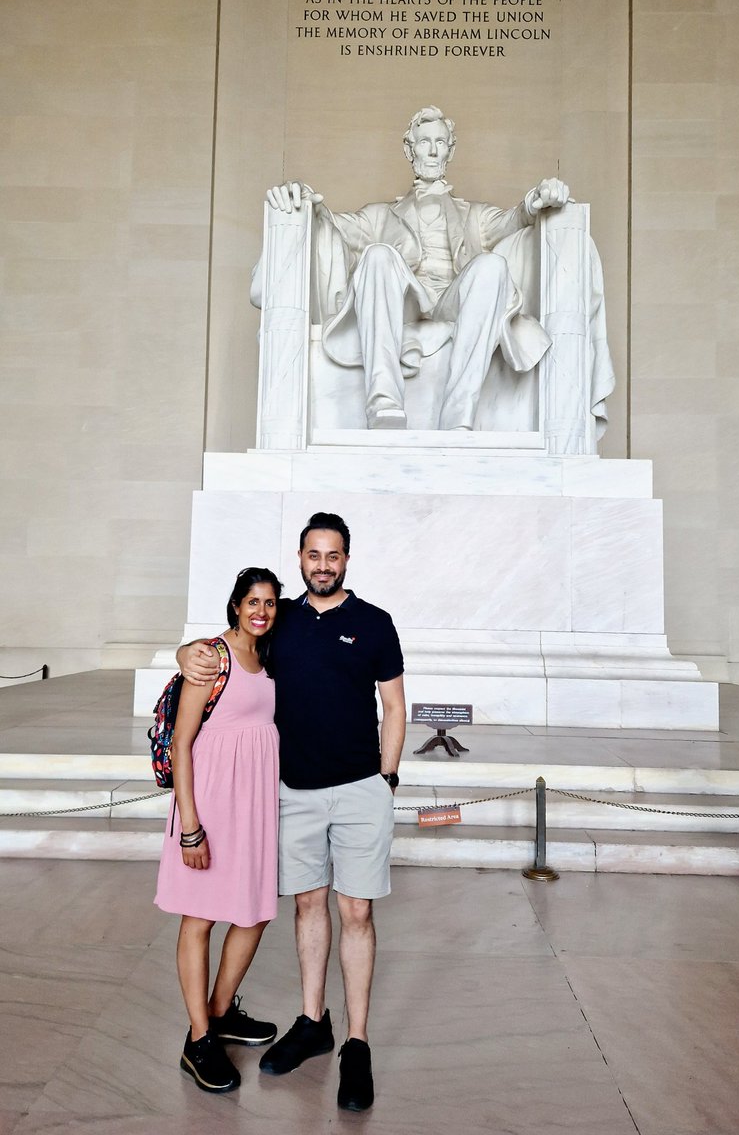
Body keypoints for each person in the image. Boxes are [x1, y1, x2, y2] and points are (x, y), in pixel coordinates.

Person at [177, 512, 406, 1112]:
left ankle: (356, 1043)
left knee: (355, 911)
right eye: (313, 555)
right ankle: (313, 1022)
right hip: (295, 793)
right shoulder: (282, 621)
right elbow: (235, 641)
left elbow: (395, 704)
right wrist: (186, 652)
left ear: (347, 559)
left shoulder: (375, 624)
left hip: (360, 787)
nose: (322, 565)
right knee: (308, 905)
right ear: (301, 558)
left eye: (333, 555)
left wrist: (387, 779)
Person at [254, 105, 575, 431]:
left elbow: (515, 219)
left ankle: (459, 413)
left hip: (454, 302)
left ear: (451, 150)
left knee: (491, 265)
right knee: (378, 255)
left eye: (440, 142)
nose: (433, 150)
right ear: (409, 149)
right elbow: (331, 224)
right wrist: (302, 197)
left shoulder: (475, 216)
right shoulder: (379, 215)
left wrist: (536, 199)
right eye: (424, 142)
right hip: (405, 300)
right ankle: (383, 402)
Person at [155, 566, 282, 1094]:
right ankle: (199, 1040)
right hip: (207, 803)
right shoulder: (212, 657)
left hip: (252, 807)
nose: (261, 611)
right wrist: (190, 827)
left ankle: (222, 1010)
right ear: (235, 605)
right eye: (252, 601)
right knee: (200, 920)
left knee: (253, 914)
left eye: (270, 603)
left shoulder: (270, 656)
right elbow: (183, 742)